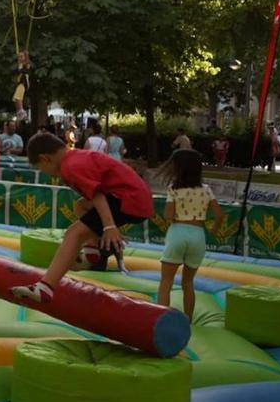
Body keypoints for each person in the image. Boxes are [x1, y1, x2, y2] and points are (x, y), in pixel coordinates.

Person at [13, 133, 154, 303]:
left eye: (41, 169)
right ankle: (92, 249)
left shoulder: (70, 166)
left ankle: (45, 287)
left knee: (74, 233)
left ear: (45, 159)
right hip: (134, 197)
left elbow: (98, 196)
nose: (46, 174)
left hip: (130, 200)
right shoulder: (75, 158)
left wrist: (109, 227)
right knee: (81, 205)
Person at [156, 149, 226, 320]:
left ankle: (160, 319)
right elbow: (219, 214)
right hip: (197, 235)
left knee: (166, 282)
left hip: (178, 232)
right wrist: (214, 229)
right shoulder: (206, 189)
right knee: (188, 283)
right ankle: (188, 319)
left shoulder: (174, 189)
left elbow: (168, 215)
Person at [12, 51, 31, 121]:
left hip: (23, 83)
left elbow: (26, 68)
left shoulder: (26, 65)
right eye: (19, 57)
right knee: (15, 98)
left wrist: (26, 55)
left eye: (21, 56)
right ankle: (19, 111)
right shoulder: (19, 65)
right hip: (19, 83)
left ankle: (22, 111)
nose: (20, 58)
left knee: (18, 97)